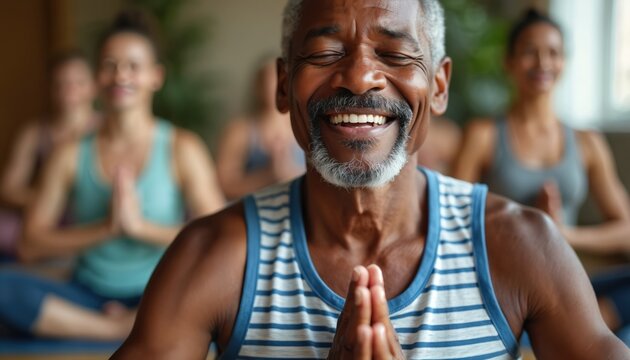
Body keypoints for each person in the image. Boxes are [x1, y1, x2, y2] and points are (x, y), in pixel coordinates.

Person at [113, 1, 629, 358]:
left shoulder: (520, 246)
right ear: (283, 85)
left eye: (395, 53)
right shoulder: (216, 255)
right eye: (324, 52)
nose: (360, 77)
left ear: (440, 85)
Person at [0, 11, 225, 340]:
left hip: (164, 290)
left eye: (133, 66)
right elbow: (30, 244)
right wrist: (105, 229)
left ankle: (130, 320)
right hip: (89, 294)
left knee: (221, 288)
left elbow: (217, 236)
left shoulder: (182, 147)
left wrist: (139, 228)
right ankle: (115, 327)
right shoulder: (70, 154)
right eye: (109, 65)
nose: (121, 76)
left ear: (155, 76)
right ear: (96, 78)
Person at [452, 9, 630, 341]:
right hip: (509, 287)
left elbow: (626, 231)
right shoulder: (484, 135)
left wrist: (563, 233)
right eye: (529, 52)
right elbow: (452, 224)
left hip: (570, 285)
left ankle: (591, 320)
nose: (542, 63)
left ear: (564, 61)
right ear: (509, 62)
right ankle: (583, 329)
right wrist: (530, 228)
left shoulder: (587, 142)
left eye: (553, 53)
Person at [0, 51, 99, 257]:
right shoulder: (34, 132)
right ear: (51, 88)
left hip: (89, 218)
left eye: (78, 82)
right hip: (43, 214)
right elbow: (9, 188)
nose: (70, 90)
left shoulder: (106, 129)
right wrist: (49, 200)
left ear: (94, 87)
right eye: (61, 83)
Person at [216, 58, 305, 200]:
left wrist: (289, 172)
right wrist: (268, 175)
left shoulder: (304, 125)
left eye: (278, 80)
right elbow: (222, 185)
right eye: (266, 81)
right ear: (257, 86)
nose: (272, 86)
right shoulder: (239, 131)